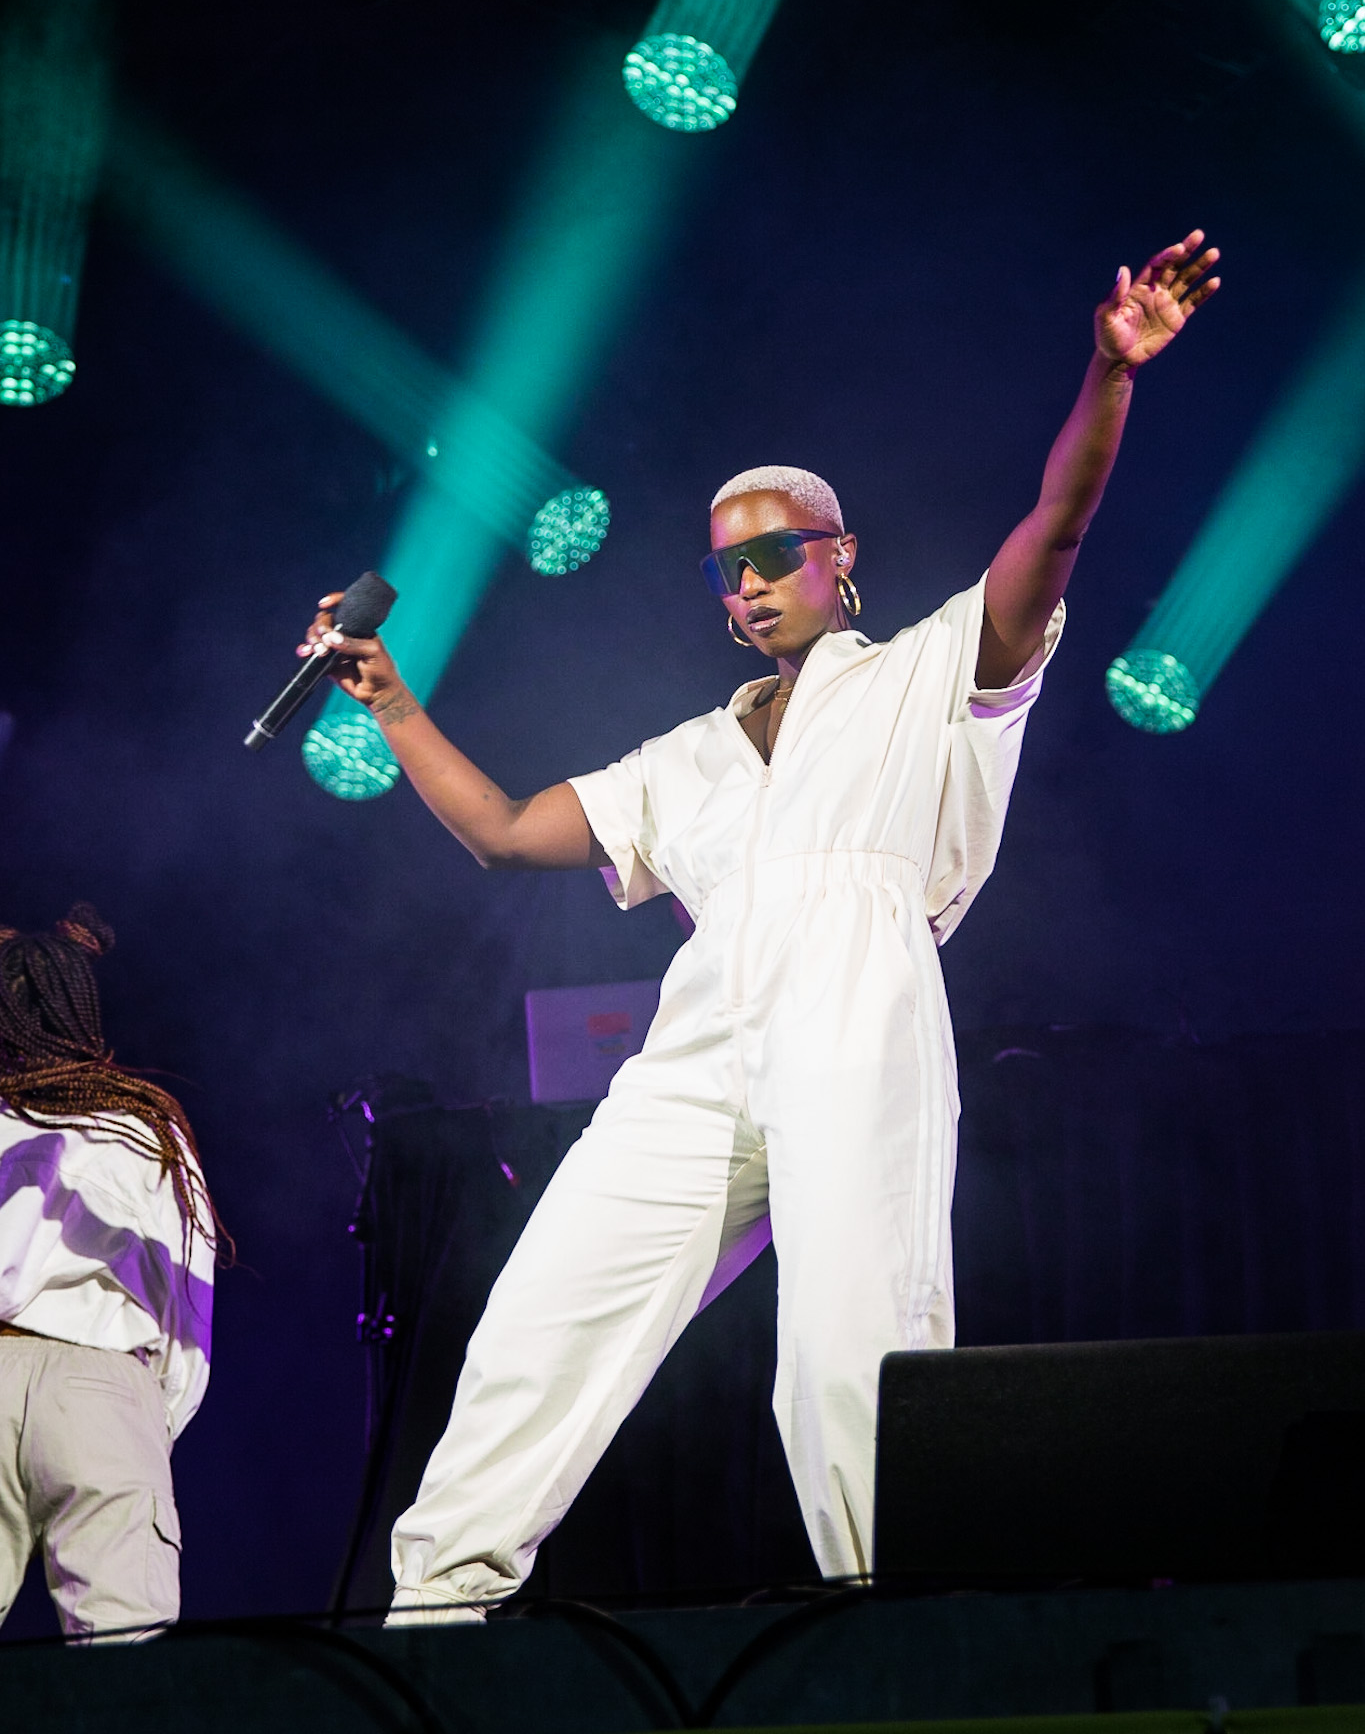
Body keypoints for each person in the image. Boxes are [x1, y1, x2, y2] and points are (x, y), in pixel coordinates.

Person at [301, 231, 1220, 1619]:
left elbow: (1057, 526)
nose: (748, 583)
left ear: (841, 558)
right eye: (726, 569)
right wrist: (388, 700)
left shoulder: (923, 671)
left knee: (848, 1351)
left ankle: (897, 1626)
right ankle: (432, 1619)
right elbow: (502, 829)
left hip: (858, 1007)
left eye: (776, 553)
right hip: (702, 1038)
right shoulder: (685, 755)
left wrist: (1111, 373)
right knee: (542, 1314)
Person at [0, 904, 224, 1642]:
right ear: (79, 1011)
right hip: (102, 1382)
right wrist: (146, 1420)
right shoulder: (141, 1124)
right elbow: (186, 1298)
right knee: (128, 1657)